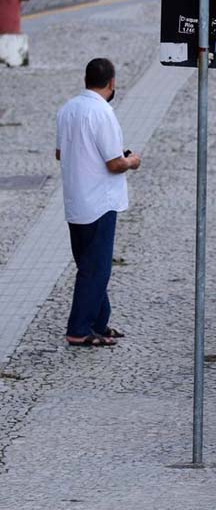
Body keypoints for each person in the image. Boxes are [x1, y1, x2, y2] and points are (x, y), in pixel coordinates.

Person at [56, 58, 141, 347]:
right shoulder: (102, 112)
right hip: (100, 201)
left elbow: (60, 153)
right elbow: (115, 163)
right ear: (111, 83)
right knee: (97, 269)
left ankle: (98, 322)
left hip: (75, 199)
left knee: (89, 264)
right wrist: (132, 160)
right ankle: (79, 329)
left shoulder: (67, 109)